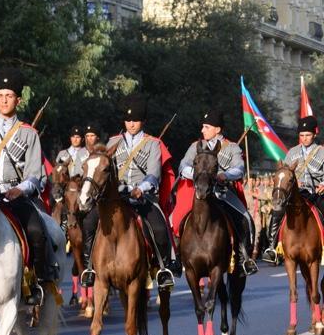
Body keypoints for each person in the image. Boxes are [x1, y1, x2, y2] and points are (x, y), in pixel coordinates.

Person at [0, 66, 58, 302]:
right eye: (0, 96)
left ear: (18, 100)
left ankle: (39, 280)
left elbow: (35, 174)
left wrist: (20, 189)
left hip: (16, 196)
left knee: (37, 231)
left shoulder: (29, 133)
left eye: (9, 96)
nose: (4, 100)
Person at [81, 95, 181, 288]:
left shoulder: (153, 144)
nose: (131, 124)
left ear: (142, 121)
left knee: (159, 228)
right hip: (115, 197)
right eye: (128, 120)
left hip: (141, 196)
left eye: (135, 120)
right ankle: (89, 268)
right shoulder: (112, 142)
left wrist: (140, 189)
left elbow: (153, 175)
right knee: (89, 222)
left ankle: (163, 267)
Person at [177, 109, 258, 275]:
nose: (202, 130)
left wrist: (225, 175)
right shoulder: (196, 146)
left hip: (223, 194)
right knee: (176, 220)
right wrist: (197, 175)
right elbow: (182, 165)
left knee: (245, 219)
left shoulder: (232, 147)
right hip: (200, 194)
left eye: (206, 127)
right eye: (203, 127)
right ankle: (177, 258)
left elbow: (240, 169)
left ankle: (244, 257)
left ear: (217, 129)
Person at [263, 115, 324, 262]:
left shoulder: (321, 152)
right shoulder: (292, 152)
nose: (304, 138)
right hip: (296, 194)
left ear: (315, 134)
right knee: (277, 211)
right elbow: (285, 172)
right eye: (302, 135)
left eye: (308, 135)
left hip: (316, 193)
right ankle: (271, 247)